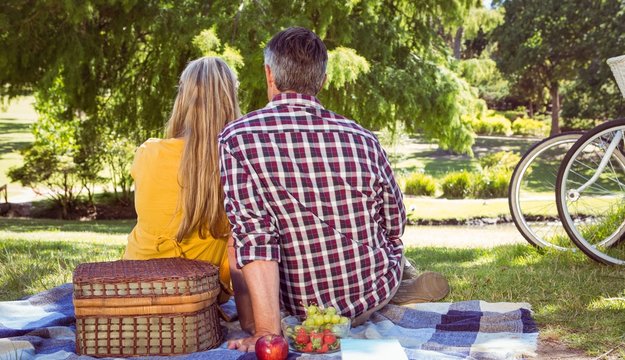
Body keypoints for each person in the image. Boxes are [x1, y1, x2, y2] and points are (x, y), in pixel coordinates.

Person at [219, 27, 449, 351]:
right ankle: (397, 288)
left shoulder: (237, 138)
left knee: (236, 240)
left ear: (269, 75)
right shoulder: (363, 138)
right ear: (323, 81)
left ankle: (269, 323)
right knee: (391, 253)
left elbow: (256, 237)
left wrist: (266, 334)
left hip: (299, 308)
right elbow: (395, 224)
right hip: (369, 289)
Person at [123, 57, 254, 332]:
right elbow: (241, 249)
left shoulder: (149, 152)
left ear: (183, 97)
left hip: (134, 285)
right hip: (196, 295)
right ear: (230, 99)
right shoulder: (236, 162)